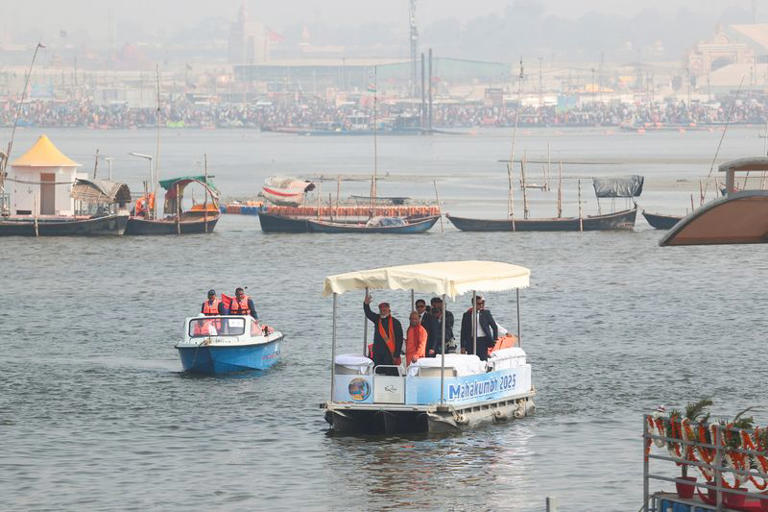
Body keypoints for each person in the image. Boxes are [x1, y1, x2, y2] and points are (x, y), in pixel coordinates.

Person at [363, 294, 403, 375]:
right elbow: (368, 313)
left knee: (391, 373)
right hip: (378, 352)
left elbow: (399, 339)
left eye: (385, 308)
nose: (383, 310)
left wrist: (396, 354)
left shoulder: (396, 322)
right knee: (378, 373)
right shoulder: (377, 319)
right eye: (381, 309)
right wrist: (366, 304)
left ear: (389, 310)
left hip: (390, 353)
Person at [460, 295, 498, 361]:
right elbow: (463, 331)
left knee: (483, 359)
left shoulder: (486, 313)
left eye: (481, 303)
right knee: (471, 359)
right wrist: (462, 346)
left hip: (483, 341)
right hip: (471, 341)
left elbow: (494, 327)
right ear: (473, 304)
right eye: (478, 304)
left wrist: (494, 340)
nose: (481, 305)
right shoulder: (466, 315)